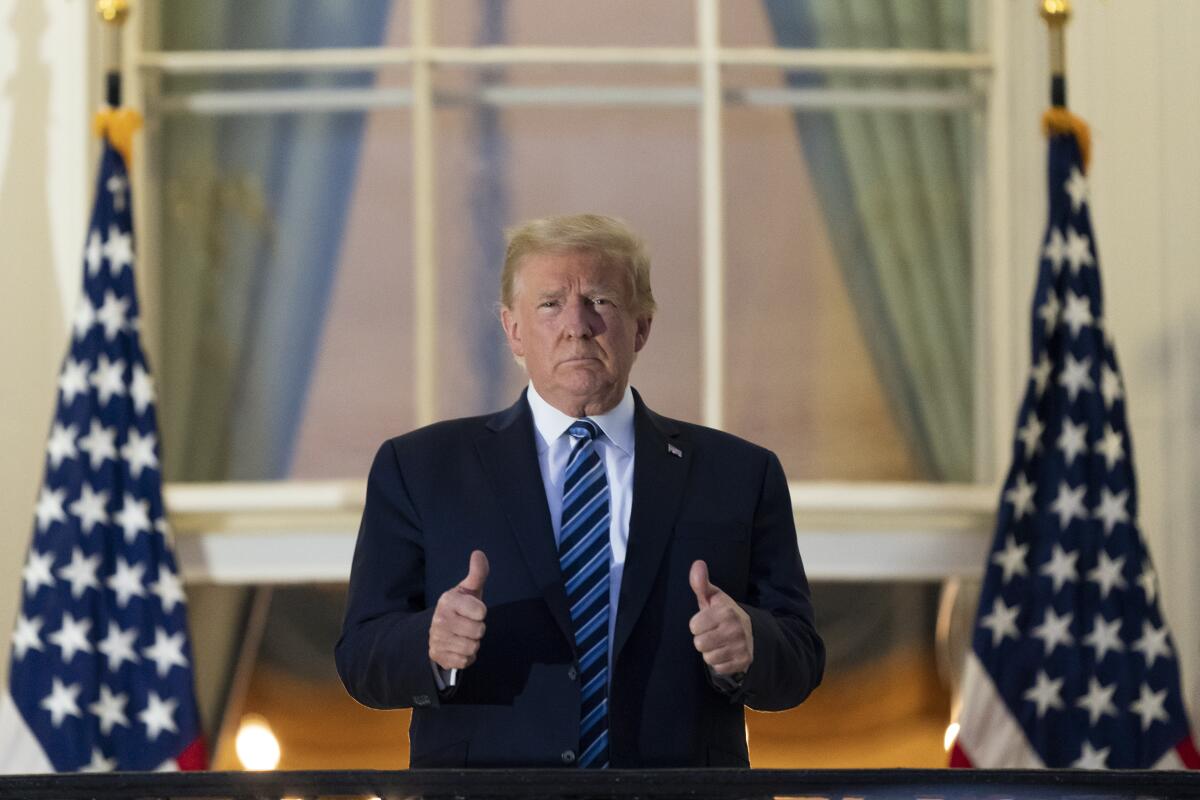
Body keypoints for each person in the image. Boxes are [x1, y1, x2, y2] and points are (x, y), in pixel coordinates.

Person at [335, 214, 824, 768]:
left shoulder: (739, 473)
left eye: (601, 301)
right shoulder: (420, 468)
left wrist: (751, 645)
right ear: (512, 329)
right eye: (549, 304)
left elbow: (801, 657)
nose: (578, 325)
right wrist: (429, 642)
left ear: (641, 327)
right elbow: (360, 658)